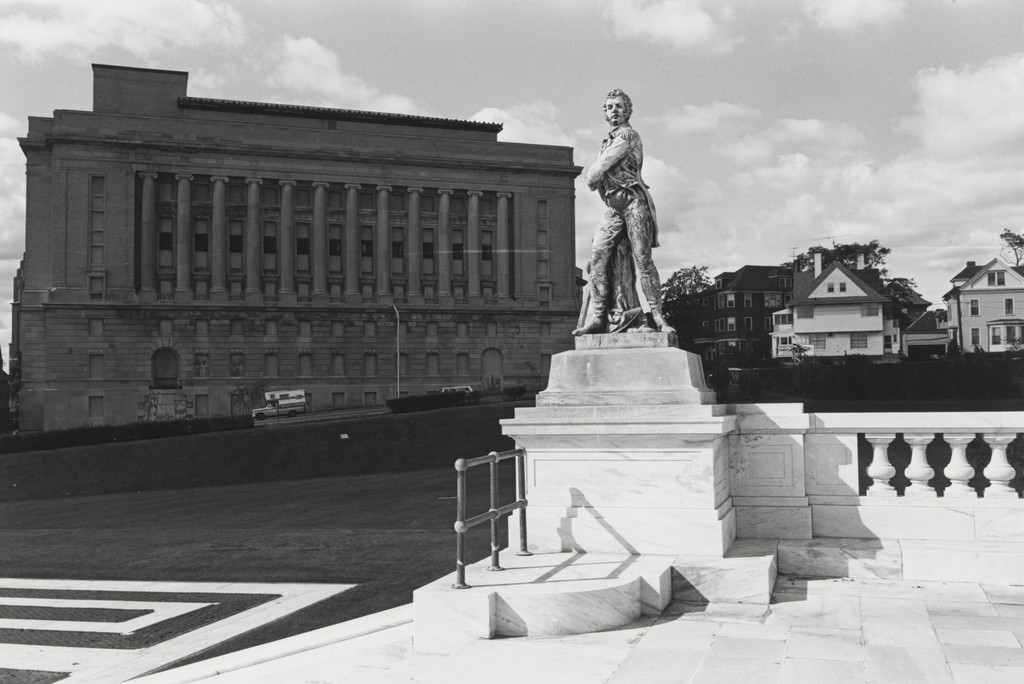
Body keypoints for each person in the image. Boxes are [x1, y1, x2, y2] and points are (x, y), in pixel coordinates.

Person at [574, 88, 675, 336]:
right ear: (605, 114)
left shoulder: (628, 136)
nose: (614, 111)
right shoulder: (606, 140)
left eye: (619, 106)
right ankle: (598, 317)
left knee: (643, 260)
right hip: (613, 207)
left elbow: (598, 170)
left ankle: (659, 318)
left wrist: (592, 176)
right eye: (610, 107)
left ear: (628, 110)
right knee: (597, 257)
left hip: (633, 202)